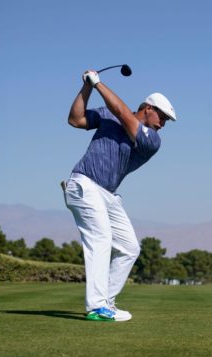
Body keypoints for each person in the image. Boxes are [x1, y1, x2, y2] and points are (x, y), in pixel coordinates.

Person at [63, 69, 177, 321]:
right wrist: (87, 88)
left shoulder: (152, 140)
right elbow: (75, 119)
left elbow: (123, 114)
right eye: (162, 116)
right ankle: (97, 307)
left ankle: (107, 302)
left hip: (107, 194)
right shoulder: (106, 115)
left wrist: (98, 83)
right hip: (85, 184)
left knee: (128, 248)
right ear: (148, 108)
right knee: (101, 239)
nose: (163, 123)